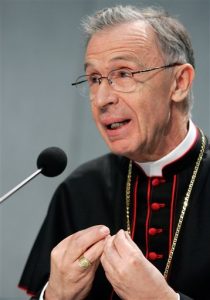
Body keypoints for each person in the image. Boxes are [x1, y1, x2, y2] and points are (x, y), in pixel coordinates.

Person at [18, 5, 210, 300]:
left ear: (179, 82)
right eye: (94, 79)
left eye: (123, 74)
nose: (103, 99)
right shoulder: (80, 188)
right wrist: (56, 295)